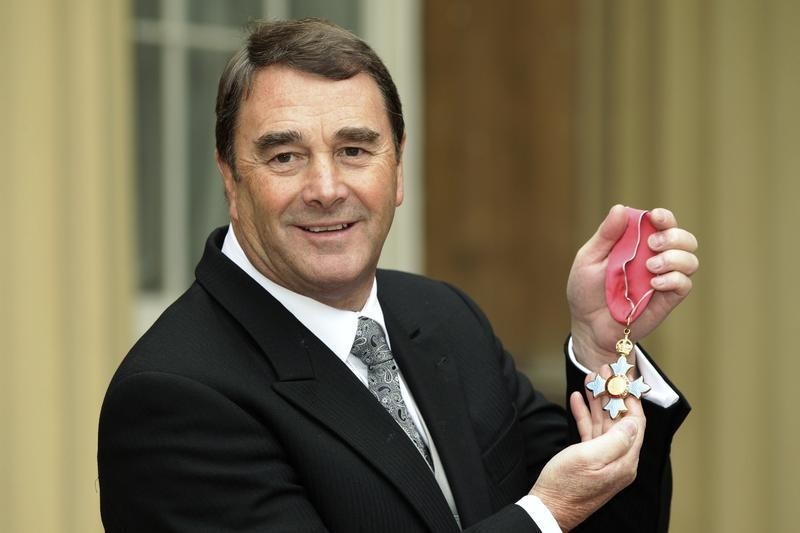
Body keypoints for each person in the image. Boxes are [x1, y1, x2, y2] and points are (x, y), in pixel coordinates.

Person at [98, 18, 698, 532]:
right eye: (285, 157)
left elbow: (610, 517)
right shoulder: (173, 397)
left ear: (399, 168)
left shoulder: (444, 317)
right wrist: (544, 515)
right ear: (231, 179)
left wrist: (599, 347)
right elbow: (561, 507)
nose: (327, 189)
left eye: (355, 150)